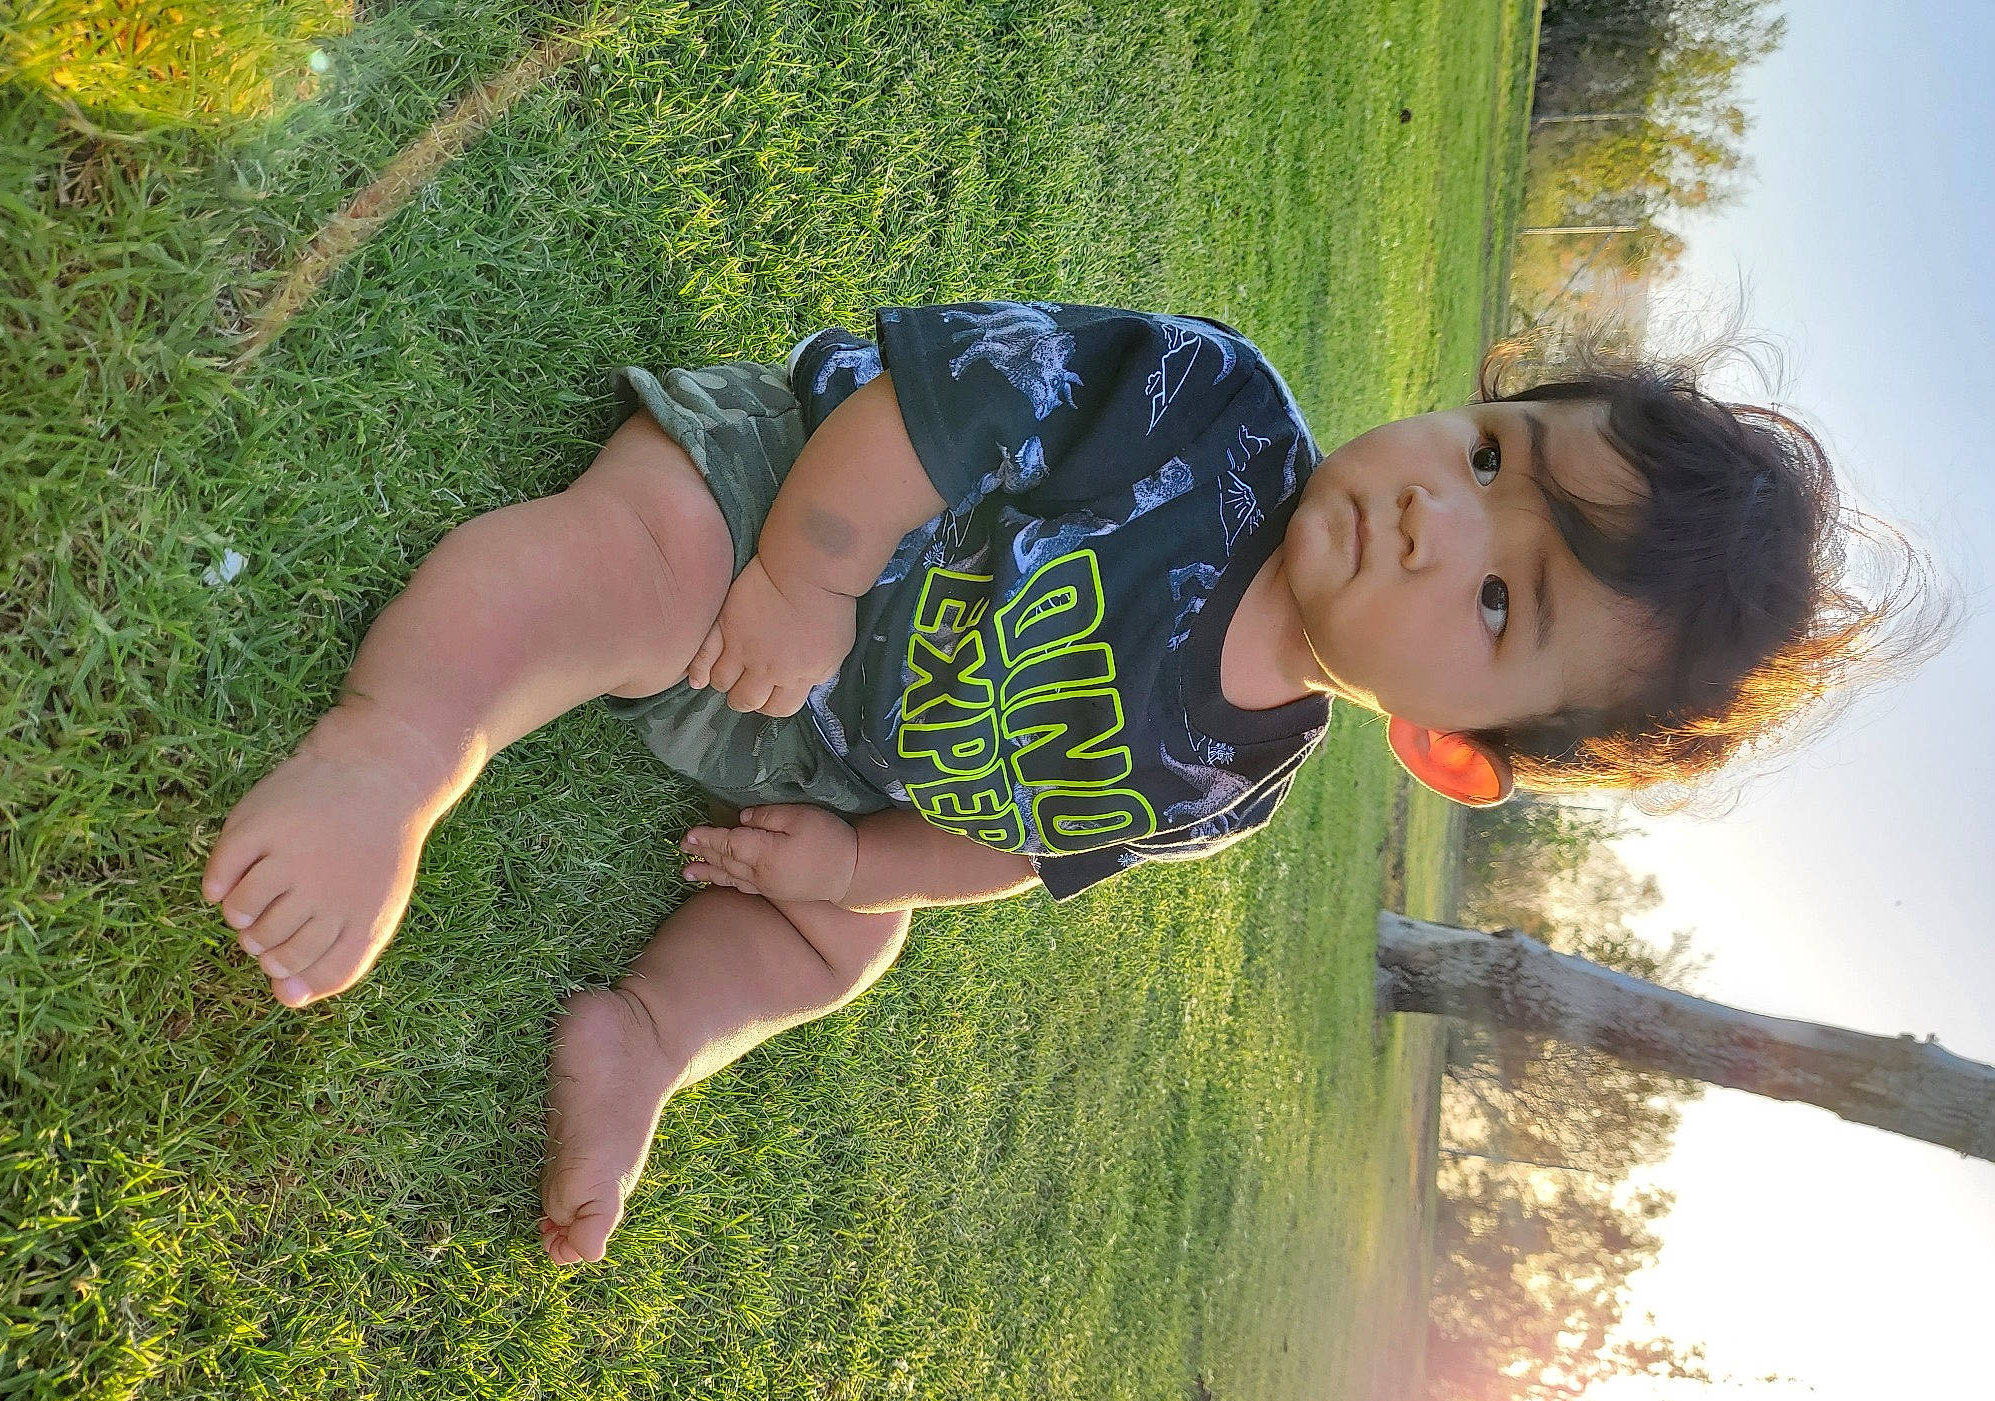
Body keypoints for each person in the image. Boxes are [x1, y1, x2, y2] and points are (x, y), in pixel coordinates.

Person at [196, 299, 1932, 1266]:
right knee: (627, 571)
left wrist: (854, 860)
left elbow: (1015, 851)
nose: (1439, 516)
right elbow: (931, 413)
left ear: (1450, 746)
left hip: (838, 749)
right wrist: (802, 578)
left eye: (1499, 598)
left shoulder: (1238, 777)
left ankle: (647, 1041)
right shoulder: (1209, 410)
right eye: (1494, 457)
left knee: (844, 950)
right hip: (778, 517)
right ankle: (394, 752)